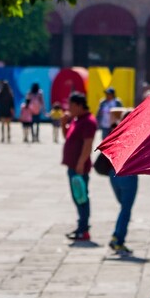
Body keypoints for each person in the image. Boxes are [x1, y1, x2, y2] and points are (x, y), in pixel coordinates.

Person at [61, 92, 97, 242]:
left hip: (79, 167)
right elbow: (67, 137)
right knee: (77, 197)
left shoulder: (88, 121)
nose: (69, 108)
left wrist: (81, 162)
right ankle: (81, 226)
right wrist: (64, 124)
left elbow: (88, 144)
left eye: (71, 105)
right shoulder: (76, 120)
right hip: (72, 166)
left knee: (82, 197)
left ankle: (84, 229)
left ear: (79, 105)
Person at [107, 107, 137, 256]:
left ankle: (117, 236)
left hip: (113, 175)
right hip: (128, 176)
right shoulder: (135, 135)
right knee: (126, 209)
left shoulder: (115, 132)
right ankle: (118, 239)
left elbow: (113, 112)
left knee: (123, 208)